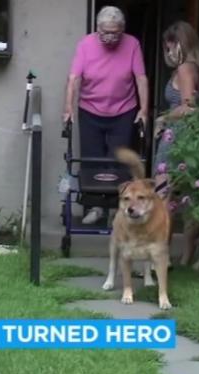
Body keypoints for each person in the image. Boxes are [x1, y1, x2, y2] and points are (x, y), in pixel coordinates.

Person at [63, 6, 149, 225]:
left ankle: (115, 210)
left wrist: (144, 109)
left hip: (123, 110)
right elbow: (73, 78)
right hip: (90, 109)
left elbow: (141, 78)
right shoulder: (86, 44)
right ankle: (94, 207)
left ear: (123, 29)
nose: (110, 37)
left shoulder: (132, 45)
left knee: (118, 161)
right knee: (92, 160)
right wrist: (68, 108)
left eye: (115, 33)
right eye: (105, 33)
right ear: (97, 29)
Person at [153, 20, 199, 266]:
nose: (169, 53)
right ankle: (188, 255)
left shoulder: (185, 70)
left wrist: (163, 117)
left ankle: (161, 257)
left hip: (177, 138)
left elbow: (190, 107)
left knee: (162, 198)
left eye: (171, 47)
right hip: (197, 140)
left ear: (182, 44)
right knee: (192, 200)